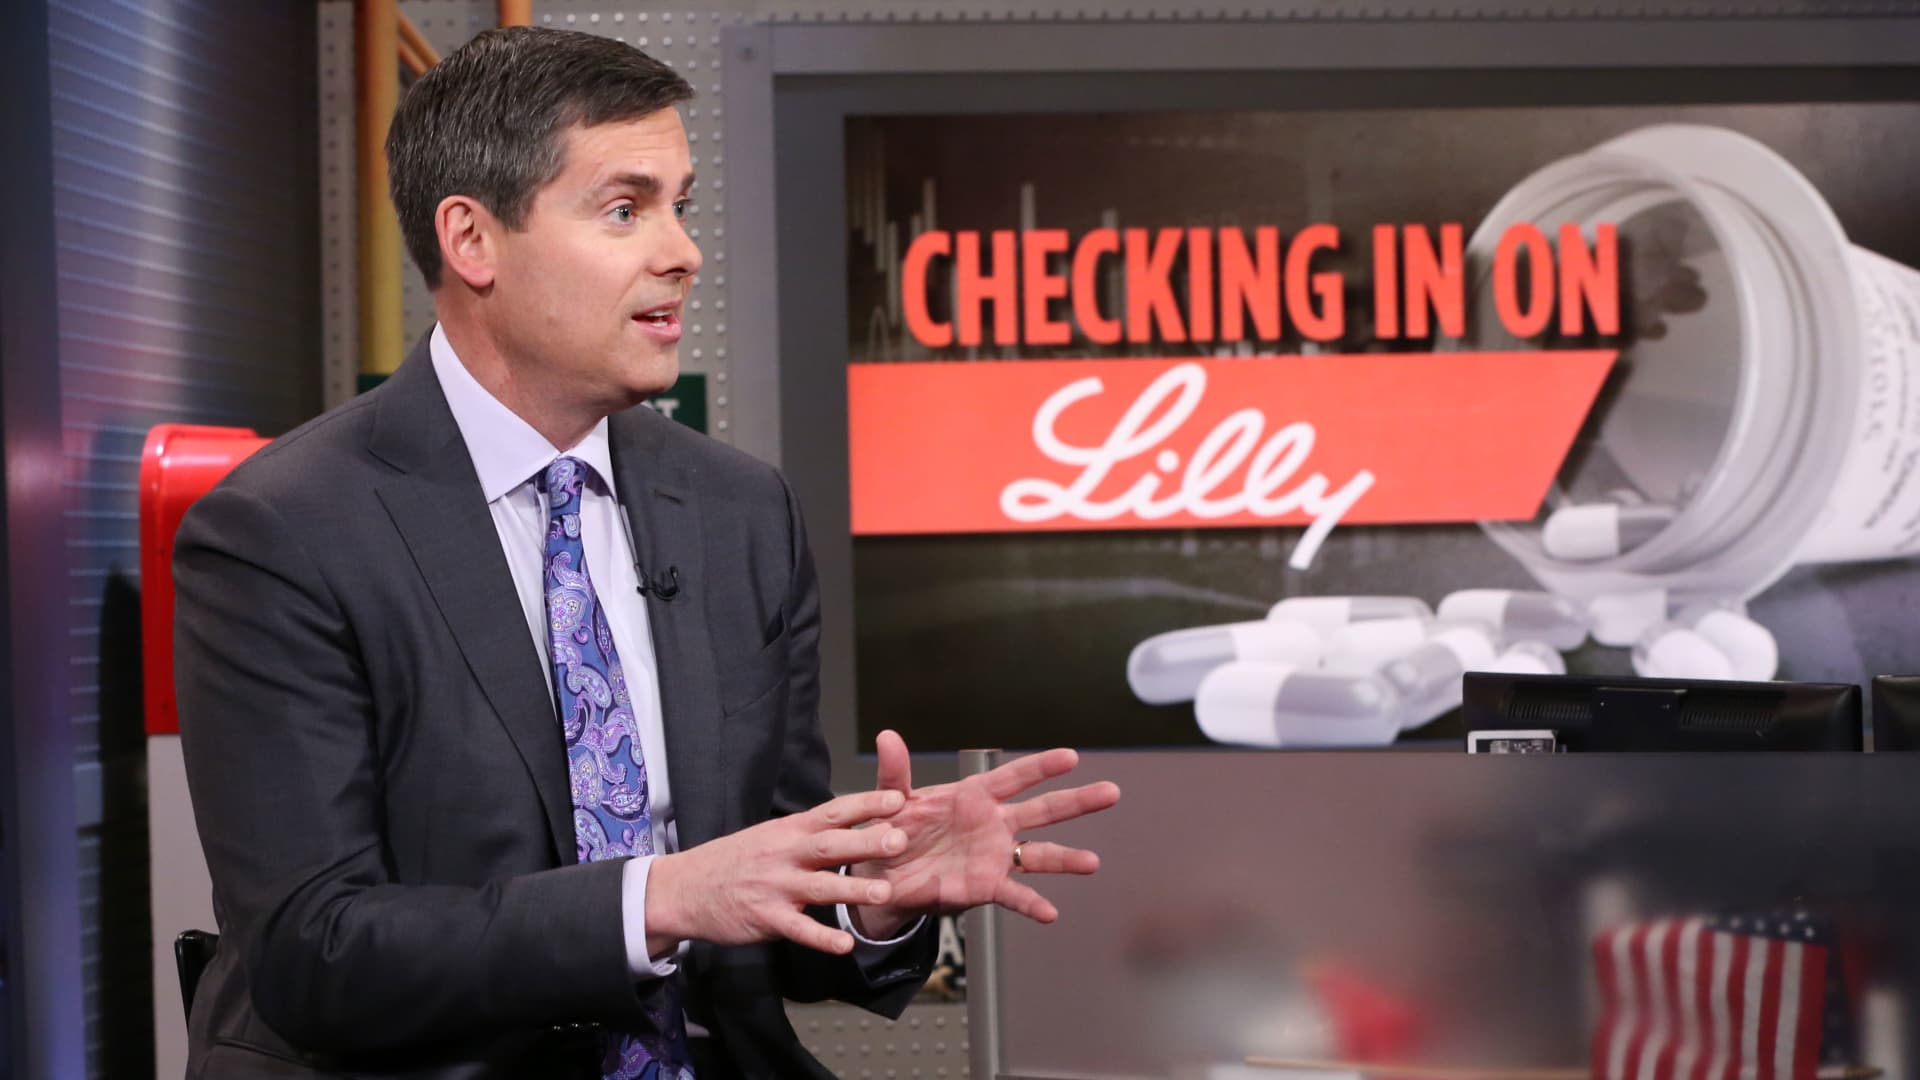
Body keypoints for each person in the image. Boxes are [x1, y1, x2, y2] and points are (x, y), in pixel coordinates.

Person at [172, 26, 1119, 1080]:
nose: (682, 252)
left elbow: (763, 902)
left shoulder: (740, 510)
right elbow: (315, 953)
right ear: (472, 241)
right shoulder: (282, 532)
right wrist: (658, 900)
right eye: (625, 209)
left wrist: (871, 898)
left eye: (681, 205)